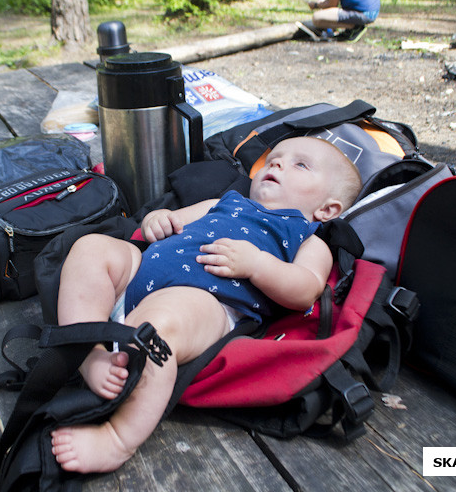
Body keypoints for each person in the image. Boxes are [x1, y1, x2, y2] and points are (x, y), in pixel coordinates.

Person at [50, 136, 362, 474]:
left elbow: (306, 289)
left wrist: (257, 265)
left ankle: (117, 438)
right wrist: (158, 219)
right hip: (138, 275)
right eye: (275, 157)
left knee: (160, 325)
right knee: (90, 248)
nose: (277, 163)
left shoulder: (309, 239)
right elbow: (169, 222)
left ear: (328, 209)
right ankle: (89, 351)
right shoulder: (223, 202)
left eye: (300, 164)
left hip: (208, 303)